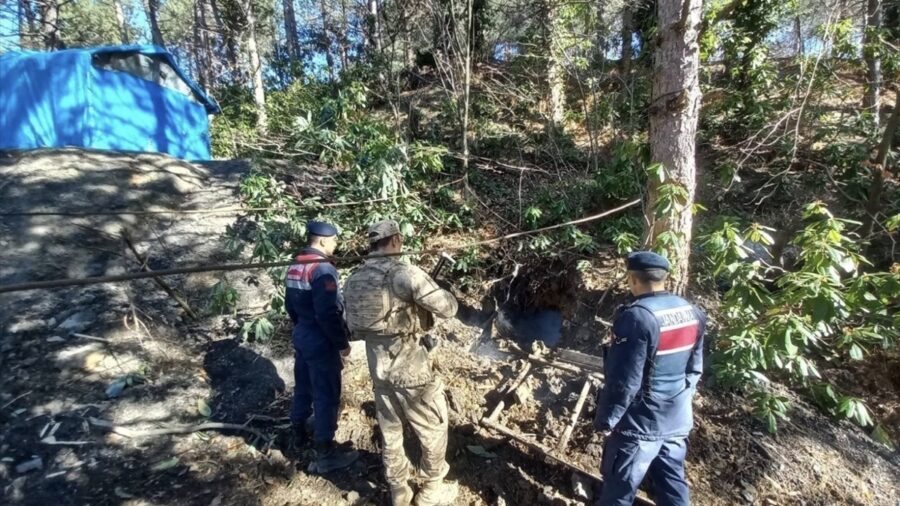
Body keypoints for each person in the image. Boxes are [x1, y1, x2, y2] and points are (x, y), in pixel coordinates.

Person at [343, 220, 459, 506]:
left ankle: (399, 490)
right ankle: (431, 491)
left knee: (391, 431)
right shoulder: (405, 274)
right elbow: (448, 308)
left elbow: (354, 327)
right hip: (411, 369)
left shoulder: (354, 279)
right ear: (395, 240)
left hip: (378, 368)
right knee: (433, 427)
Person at [593, 251, 706, 506]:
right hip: (676, 420)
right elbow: (695, 369)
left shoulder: (637, 317)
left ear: (633, 279)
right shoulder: (693, 312)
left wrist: (607, 419)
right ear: (664, 277)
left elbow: (625, 380)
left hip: (639, 426)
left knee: (618, 492)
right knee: (672, 485)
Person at [285, 220, 359, 473]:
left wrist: (301, 328)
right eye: (335, 241)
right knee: (326, 394)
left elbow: (290, 306)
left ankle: (297, 434)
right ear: (324, 241)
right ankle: (325, 453)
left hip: (302, 333)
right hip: (320, 338)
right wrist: (341, 344)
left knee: (303, 386)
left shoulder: (296, 264)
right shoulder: (323, 269)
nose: (336, 245)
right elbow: (327, 312)